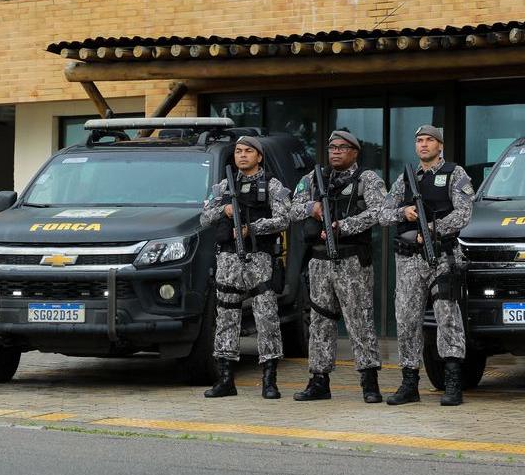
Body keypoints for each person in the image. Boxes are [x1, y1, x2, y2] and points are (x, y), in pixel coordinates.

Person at [289, 130, 387, 403]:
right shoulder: (312, 179)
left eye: (342, 147)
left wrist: (343, 226)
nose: (335, 152)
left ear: (355, 152)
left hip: (352, 260)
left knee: (360, 320)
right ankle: (319, 380)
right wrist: (313, 208)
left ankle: (369, 381)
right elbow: (291, 209)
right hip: (320, 262)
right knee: (320, 322)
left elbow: (379, 211)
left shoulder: (367, 179)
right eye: (332, 147)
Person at [380, 125, 474, 406]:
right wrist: (403, 212)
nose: (423, 145)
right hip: (409, 259)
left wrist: (432, 228)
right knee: (407, 320)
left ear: (440, 145)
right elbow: (383, 214)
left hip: (442, 256)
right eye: (419, 140)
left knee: (448, 317)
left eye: (429, 140)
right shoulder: (407, 178)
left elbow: (464, 214)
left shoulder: (454, 174)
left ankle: (453, 382)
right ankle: (410, 383)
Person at [199, 136, 291, 399]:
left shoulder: (272, 185)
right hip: (228, 260)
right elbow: (204, 217)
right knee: (226, 319)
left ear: (259, 156)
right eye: (238, 151)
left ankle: (269, 381)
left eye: (248, 151)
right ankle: (226, 379)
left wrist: (254, 228)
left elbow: (285, 219)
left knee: (267, 319)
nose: (242, 155)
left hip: (259, 259)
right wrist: (224, 210)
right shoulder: (223, 187)